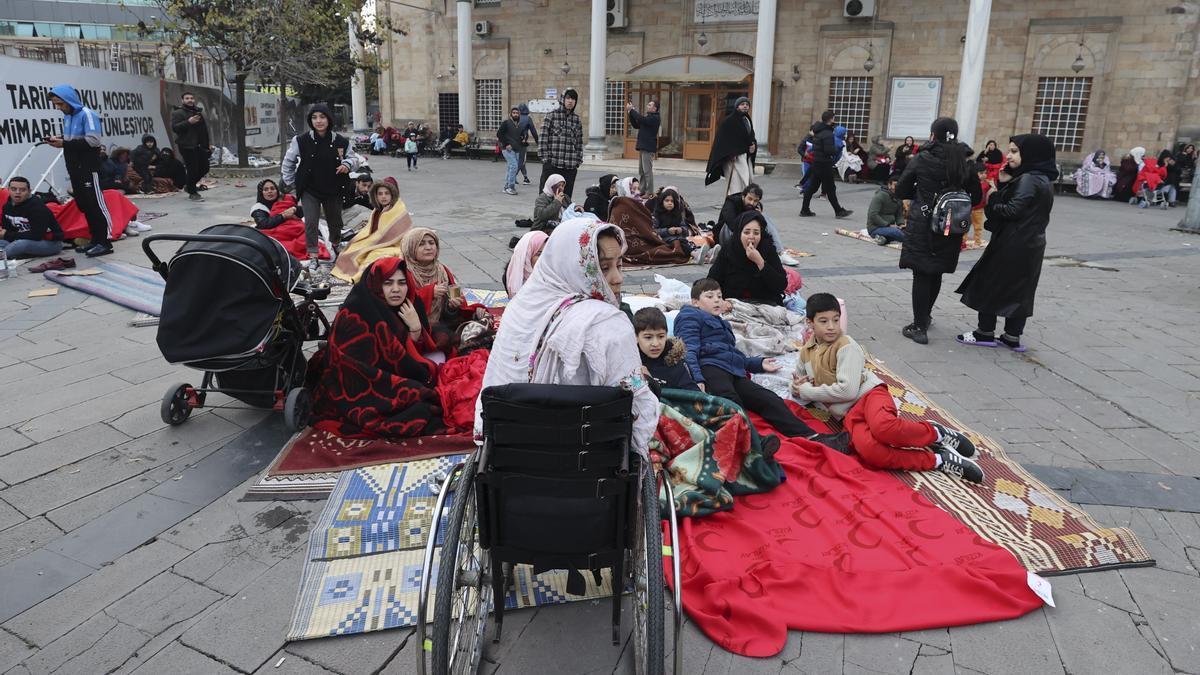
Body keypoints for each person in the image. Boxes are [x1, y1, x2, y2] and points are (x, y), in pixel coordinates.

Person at [473, 217, 660, 456]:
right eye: (603, 268)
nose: (617, 278)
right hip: (591, 466)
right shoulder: (607, 325)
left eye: (619, 264)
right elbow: (638, 416)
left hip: (509, 457)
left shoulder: (519, 308)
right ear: (576, 266)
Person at [791, 293, 983, 482]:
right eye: (823, 321)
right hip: (847, 414)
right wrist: (796, 387)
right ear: (810, 323)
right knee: (869, 451)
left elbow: (847, 391)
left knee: (884, 428)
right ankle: (939, 460)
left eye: (835, 319)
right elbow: (798, 380)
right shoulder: (807, 351)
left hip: (869, 395)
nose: (832, 327)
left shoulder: (846, 346)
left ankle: (937, 434)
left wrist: (807, 391)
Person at [674, 279, 848, 450]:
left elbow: (732, 354)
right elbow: (688, 350)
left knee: (767, 398)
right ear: (695, 302)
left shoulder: (722, 323)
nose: (717, 300)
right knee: (730, 402)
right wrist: (697, 379)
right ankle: (754, 443)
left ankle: (812, 437)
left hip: (733, 371)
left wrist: (758, 364)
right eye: (710, 296)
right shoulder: (689, 316)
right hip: (710, 368)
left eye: (719, 296)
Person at [309, 257, 445, 439]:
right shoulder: (356, 311)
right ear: (375, 285)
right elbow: (359, 363)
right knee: (418, 400)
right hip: (360, 381)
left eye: (402, 283)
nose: (396, 290)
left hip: (392, 372)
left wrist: (416, 328)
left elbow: (411, 352)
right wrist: (413, 335)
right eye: (388, 283)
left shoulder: (410, 305)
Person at [956, 134, 1056, 353]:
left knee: (990, 283)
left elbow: (1012, 211)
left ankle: (984, 332)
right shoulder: (1043, 179)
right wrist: (1005, 185)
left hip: (1012, 243)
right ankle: (1012, 336)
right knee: (1020, 290)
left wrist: (993, 195)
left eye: (1014, 151)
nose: (1008, 156)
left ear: (1029, 154)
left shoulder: (1029, 178)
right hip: (1031, 244)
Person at [895, 117, 981, 345]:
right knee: (936, 271)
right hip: (950, 226)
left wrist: (921, 192)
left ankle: (919, 326)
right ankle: (926, 316)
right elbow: (978, 196)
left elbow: (901, 188)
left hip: (923, 222)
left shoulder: (924, 158)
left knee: (922, 273)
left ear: (933, 134)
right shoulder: (964, 161)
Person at [282, 102, 363, 268]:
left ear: (329, 119)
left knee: (335, 221)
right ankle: (313, 256)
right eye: (314, 117)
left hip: (333, 188)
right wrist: (292, 182)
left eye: (322, 117)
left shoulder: (340, 141)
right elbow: (288, 162)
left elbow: (355, 159)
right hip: (309, 189)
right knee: (311, 221)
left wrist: (347, 164)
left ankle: (335, 243)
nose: (318, 121)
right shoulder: (301, 140)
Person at [45, 84, 113, 257]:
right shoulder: (68, 117)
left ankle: (105, 242)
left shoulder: (87, 114)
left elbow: (93, 141)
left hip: (89, 168)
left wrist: (64, 143)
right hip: (75, 169)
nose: (59, 108)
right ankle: (95, 240)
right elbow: (73, 140)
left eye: (60, 104)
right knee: (84, 205)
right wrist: (59, 140)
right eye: (56, 105)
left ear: (69, 100)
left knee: (96, 205)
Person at [333, 178, 414, 282]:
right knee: (351, 249)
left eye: (387, 193)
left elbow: (389, 235)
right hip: (378, 242)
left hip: (395, 245)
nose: (383, 196)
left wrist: (370, 244)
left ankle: (362, 278)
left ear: (393, 194)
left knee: (373, 255)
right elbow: (371, 230)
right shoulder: (377, 209)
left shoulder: (398, 209)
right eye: (380, 194)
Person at [707, 211, 787, 305]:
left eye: (756, 233)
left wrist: (760, 262)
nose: (751, 237)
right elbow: (712, 281)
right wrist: (720, 301)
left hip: (765, 306)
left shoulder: (767, 248)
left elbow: (781, 285)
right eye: (746, 232)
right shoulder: (729, 249)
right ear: (739, 233)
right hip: (733, 305)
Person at [800, 110, 853, 219]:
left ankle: (804, 209)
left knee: (812, 187)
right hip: (824, 164)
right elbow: (829, 150)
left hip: (817, 162)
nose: (835, 120)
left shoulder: (818, 131)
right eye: (834, 118)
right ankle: (838, 211)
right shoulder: (828, 134)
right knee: (831, 188)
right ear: (831, 119)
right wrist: (837, 149)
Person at [633, 307, 699, 393]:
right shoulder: (629, 363)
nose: (656, 343)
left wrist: (652, 384)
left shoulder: (675, 361)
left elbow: (694, 395)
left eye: (661, 336)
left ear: (666, 335)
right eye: (648, 337)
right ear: (636, 337)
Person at [1, 176, 64, 259]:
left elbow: (36, 236)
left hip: (50, 242)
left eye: (22, 190)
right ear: (8, 190)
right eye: (13, 189)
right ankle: (12, 254)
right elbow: (8, 231)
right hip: (20, 240)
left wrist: (6, 234)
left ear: (29, 191)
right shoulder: (7, 207)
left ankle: (4, 256)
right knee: (5, 243)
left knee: (21, 245)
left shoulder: (37, 208)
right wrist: (4, 234)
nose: (17, 192)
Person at [704, 96, 756, 196]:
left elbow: (750, 136)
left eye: (747, 104)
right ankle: (733, 204)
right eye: (742, 104)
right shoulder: (729, 121)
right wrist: (730, 153)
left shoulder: (747, 120)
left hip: (744, 156)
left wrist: (753, 145)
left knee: (746, 182)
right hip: (732, 158)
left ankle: (744, 204)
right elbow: (723, 140)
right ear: (737, 107)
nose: (745, 106)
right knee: (735, 184)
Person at [538, 89, 583, 199]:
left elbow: (579, 142)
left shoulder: (576, 120)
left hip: (570, 166)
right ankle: (543, 215)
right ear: (562, 99)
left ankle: (564, 215)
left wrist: (578, 161)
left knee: (566, 197)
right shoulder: (551, 116)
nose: (570, 101)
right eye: (568, 98)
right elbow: (543, 138)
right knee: (547, 195)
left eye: (573, 99)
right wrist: (546, 160)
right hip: (553, 164)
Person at [170, 92, 212, 201]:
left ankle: (189, 185)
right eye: (187, 98)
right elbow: (175, 128)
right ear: (182, 100)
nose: (190, 100)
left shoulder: (198, 112)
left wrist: (207, 145)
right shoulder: (178, 113)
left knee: (205, 167)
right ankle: (193, 192)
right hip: (187, 145)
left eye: (192, 98)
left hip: (199, 145)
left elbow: (203, 130)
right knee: (192, 169)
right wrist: (188, 122)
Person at [652, 188, 710, 264]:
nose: (669, 203)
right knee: (681, 243)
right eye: (667, 201)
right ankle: (695, 254)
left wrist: (680, 229)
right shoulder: (657, 215)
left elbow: (685, 229)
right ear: (662, 201)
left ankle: (707, 256)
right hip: (665, 239)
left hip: (679, 237)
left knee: (688, 242)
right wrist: (667, 231)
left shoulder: (678, 214)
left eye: (672, 201)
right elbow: (653, 230)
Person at [627, 99, 661, 194]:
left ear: (655, 108)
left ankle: (649, 192)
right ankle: (642, 190)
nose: (647, 106)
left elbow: (642, 119)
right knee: (641, 171)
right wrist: (630, 113)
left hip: (648, 147)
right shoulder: (648, 117)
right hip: (643, 146)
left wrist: (632, 110)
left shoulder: (655, 118)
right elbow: (636, 125)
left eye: (650, 105)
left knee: (647, 172)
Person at [504, 229, 548, 297]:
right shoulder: (514, 278)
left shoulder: (553, 275)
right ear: (527, 255)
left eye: (547, 253)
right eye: (539, 255)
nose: (544, 258)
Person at [866, 178, 906, 245]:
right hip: (876, 228)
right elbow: (873, 214)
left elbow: (899, 214)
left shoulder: (898, 197)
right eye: (895, 185)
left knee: (909, 230)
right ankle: (912, 241)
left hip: (890, 227)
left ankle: (883, 238)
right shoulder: (880, 196)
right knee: (896, 232)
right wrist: (888, 225)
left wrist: (901, 224)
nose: (897, 187)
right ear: (889, 185)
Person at [497, 106, 523, 196]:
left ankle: (506, 187)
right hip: (507, 149)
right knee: (514, 166)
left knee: (510, 168)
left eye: (517, 113)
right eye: (514, 113)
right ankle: (510, 187)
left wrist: (522, 139)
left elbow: (519, 136)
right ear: (510, 114)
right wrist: (506, 144)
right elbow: (499, 134)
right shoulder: (506, 123)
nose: (515, 114)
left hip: (516, 149)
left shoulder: (519, 125)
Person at [969, 161, 993, 248]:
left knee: (978, 226)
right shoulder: (972, 183)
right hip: (970, 208)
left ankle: (977, 241)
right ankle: (963, 241)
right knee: (966, 226)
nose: (983, 175)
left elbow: (992, 192)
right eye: (981, 173)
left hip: (979, 209)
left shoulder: (987, 184)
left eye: (985, 173)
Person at [515, 103, 538, 184]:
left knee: (520, 160)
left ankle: (525, 178)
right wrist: (537, 141)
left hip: (513, 142)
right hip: (522, 142)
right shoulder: (528, 119)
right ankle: (512, 177)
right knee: (521, 160)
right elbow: (533, 131)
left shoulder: (515, 117)